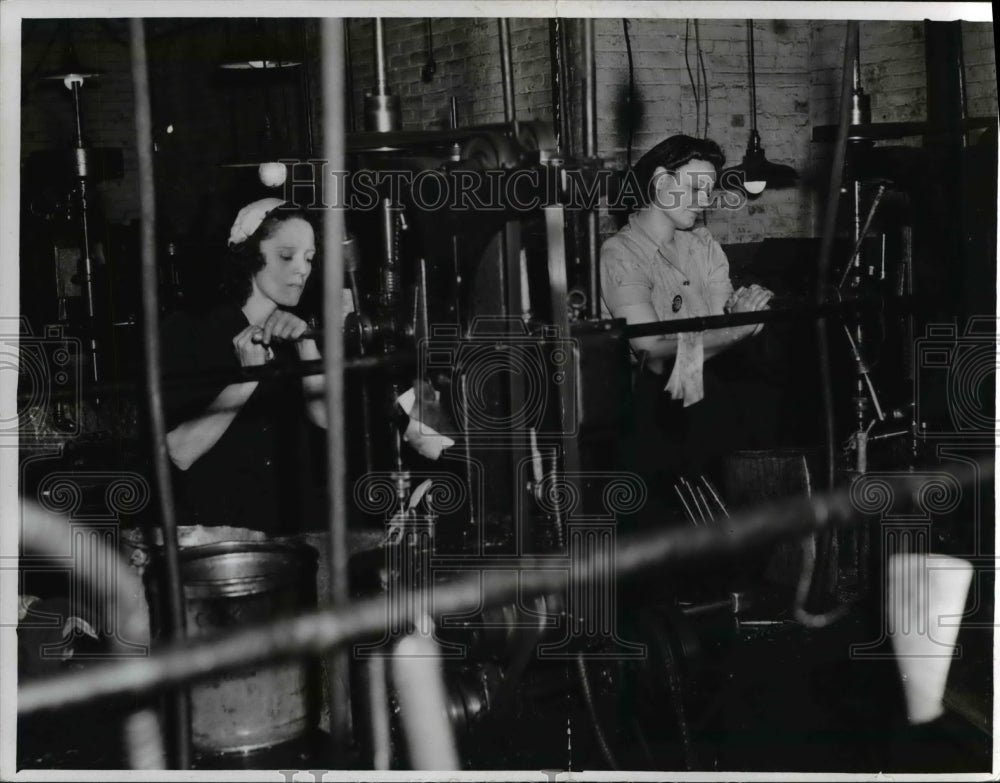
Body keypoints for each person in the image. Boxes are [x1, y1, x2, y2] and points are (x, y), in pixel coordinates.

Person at [601, 135, 773, 487]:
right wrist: (737, 329)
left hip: (706, 400)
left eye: (709, 190)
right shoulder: (621, 255)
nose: (704, 201)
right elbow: (656, 355)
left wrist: (745, 315)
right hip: (649, 411)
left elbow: (726, 321)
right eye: (695, 189)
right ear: (661, 181)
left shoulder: (702, 245)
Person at [162, 198, 326, 535]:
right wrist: (248, 378)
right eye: (286, 256)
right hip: (215, 535)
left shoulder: (295, 332)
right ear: (251, 256)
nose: (302, 269)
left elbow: (327, 420)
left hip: (288, 530)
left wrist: (307, 345)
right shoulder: (192, 330)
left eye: (309, 258)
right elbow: (179, 451)